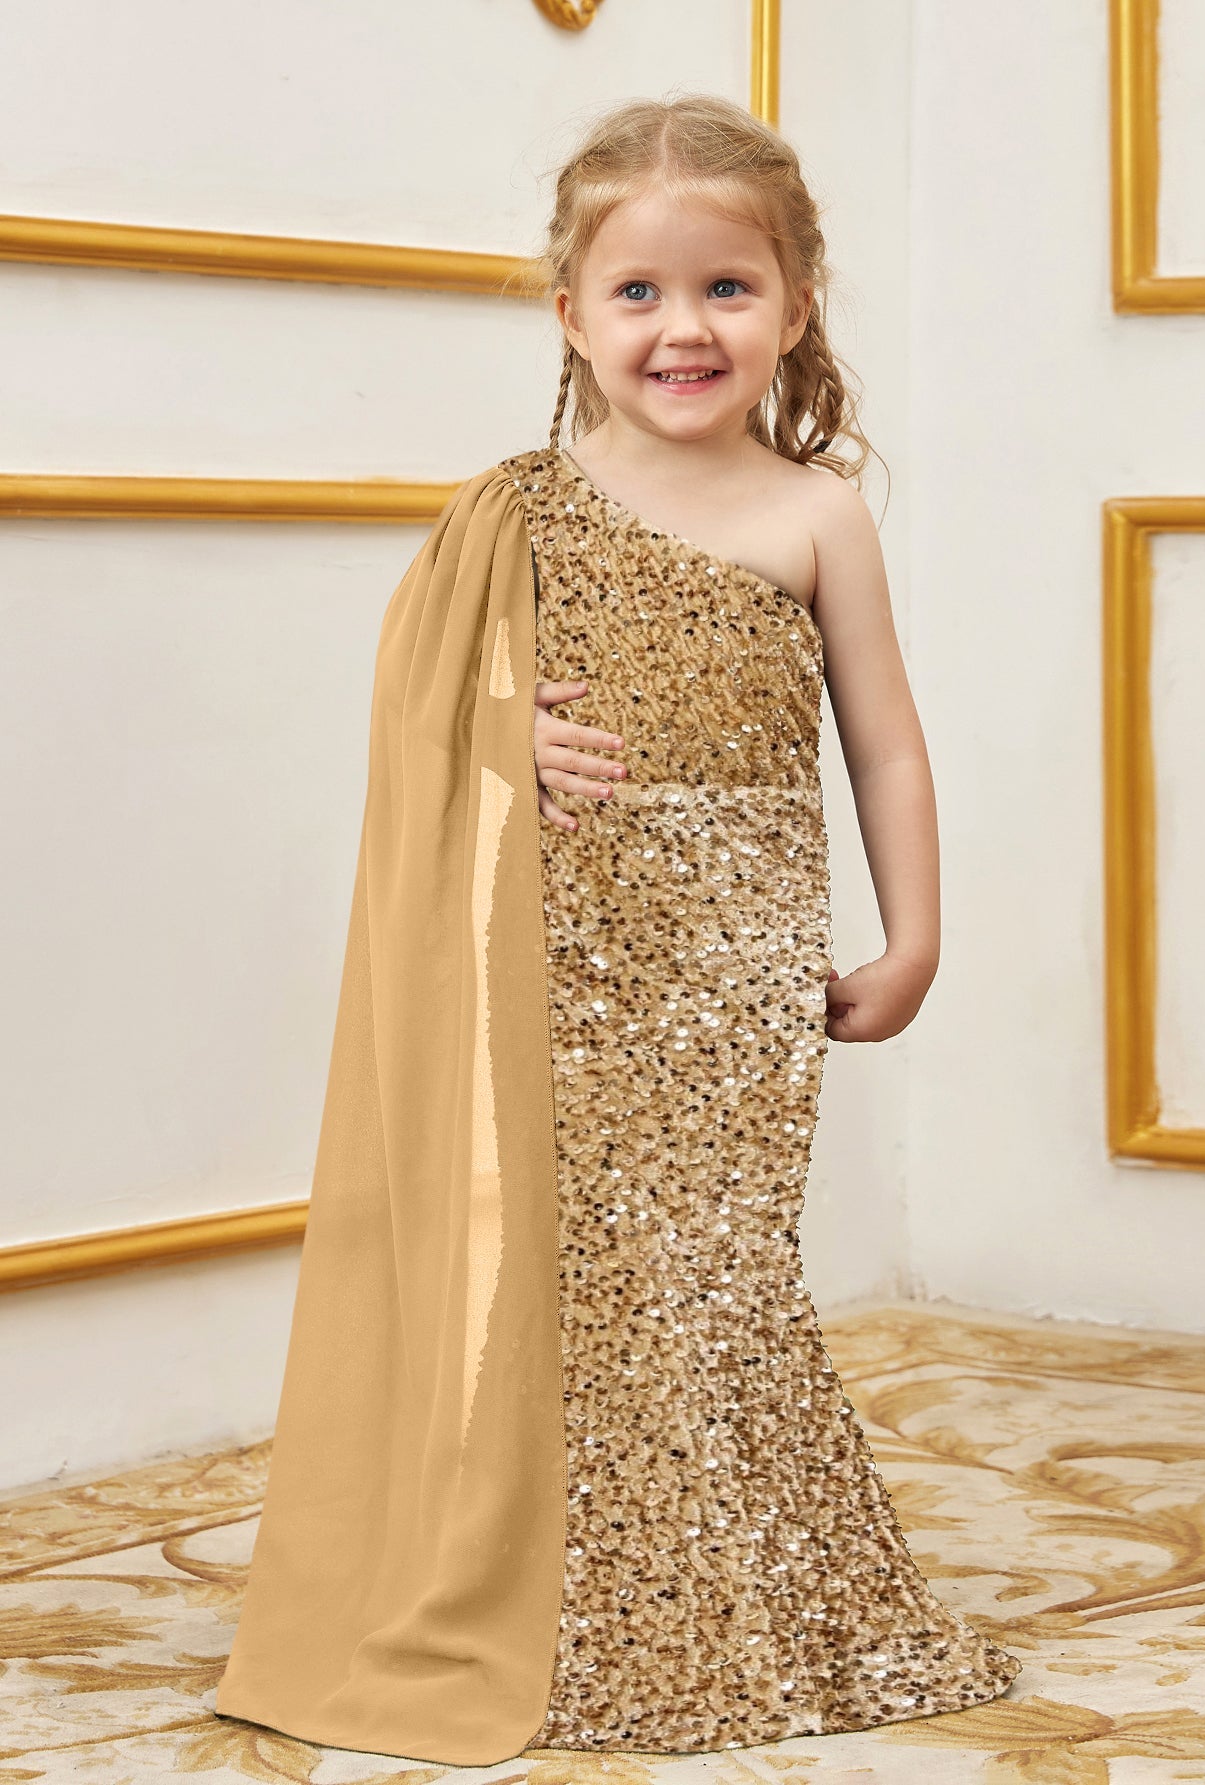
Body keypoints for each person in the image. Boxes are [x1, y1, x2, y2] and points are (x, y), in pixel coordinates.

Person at [214, 91, 1021, 1768]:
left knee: (717, 1272)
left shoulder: (816, 513)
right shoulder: (513, 512)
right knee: (571, 1277)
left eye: (728, 287)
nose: (683, 327)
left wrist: (916, 934)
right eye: (638, 291)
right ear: (570, 312)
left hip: (738, 968)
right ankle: (560, 1596)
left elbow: (886, 742)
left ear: (795, 305)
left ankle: (729, 1595)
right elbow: (423, 724)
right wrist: (503, 733)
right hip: (560, 966)